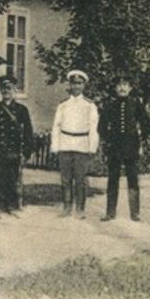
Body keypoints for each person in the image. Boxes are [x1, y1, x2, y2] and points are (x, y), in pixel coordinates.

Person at [98, 74, 150, 222]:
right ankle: (110, 212)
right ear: (115, 88)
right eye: (119, 85)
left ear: (130, 88)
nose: (122, 88)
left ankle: (135, 213)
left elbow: (146, 123)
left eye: (125, 85)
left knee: (133, 178)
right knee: (113, 179)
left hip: (131, 146)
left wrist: (141, 140)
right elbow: (101, 126)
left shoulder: (136, 104)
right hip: (114, 147)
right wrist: (108, 140)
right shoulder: (110, 105)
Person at [51, 70, 99, 219]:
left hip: (81, 144)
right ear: (70, 85)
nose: (76, 86)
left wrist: (92, 147)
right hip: (65, 143)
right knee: (65, 178)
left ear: (84, 85)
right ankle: (67, 207)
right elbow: (56, 126)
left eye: (79, 83)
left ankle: (80, 208)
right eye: (73, 83)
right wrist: (55, 146)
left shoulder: (89, 105)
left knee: (80, 179)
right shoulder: (63, 105)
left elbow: (93, 127)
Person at [0, 75, 33, 212]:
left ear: (14, 90)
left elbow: (28, 132)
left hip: (14, 151)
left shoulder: (22, 110)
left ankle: (12, 205)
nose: (6, 91)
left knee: (13, 179)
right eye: (4, 88)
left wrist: (26, 152)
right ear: (0, 90)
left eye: (9, 88)